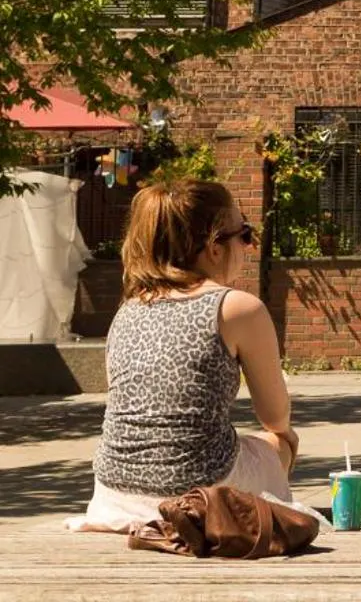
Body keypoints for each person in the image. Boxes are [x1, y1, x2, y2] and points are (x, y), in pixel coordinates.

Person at [74, 178, 298, 531]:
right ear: (214, 246)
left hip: (113, 494)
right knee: (279, 441)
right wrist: (284, 439)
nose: (248, 246)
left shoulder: (128, 310)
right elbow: (275, 416)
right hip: (200, 495)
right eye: (245, 234)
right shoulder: (237, 308)